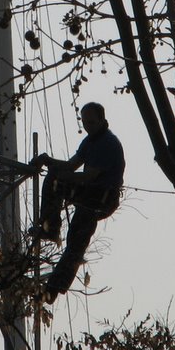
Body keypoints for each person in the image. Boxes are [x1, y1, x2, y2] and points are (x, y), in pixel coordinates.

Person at [31, 102, 125, 302]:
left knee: (77, 239)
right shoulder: (90, 141)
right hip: (89, 192)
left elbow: (87, 177)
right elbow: (72, 165)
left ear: (101, 120)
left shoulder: (108, 143)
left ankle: (54, 287)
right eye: (85, 122)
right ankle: (51, 227)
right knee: (54, 178)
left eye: (91, 122)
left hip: (102, 197)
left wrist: (62, 176)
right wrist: (48, 161)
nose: (88, 126)